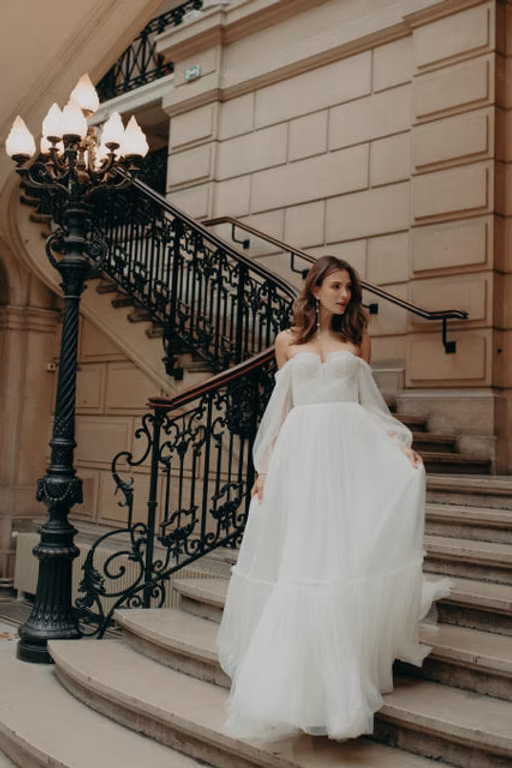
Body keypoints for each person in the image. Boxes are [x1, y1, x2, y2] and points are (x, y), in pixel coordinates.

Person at [217, 256, 451, 742]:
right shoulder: (287, 341)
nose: (346, 295)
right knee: (302, 561)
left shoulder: (357, 339)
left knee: (337, 559)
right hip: (300, 458)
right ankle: (298, 680)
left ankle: (341, 676)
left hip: (346, 453)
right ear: (317, 288)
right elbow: (281, 408)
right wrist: (264, 467)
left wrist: (397, 444)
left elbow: (370, 402)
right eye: (337, 286)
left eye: (350, 288)